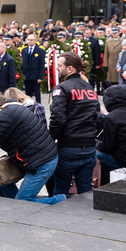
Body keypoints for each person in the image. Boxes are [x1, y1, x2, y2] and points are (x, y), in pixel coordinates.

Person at [0, 88, 64, 204]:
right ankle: (15, 206)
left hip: (42, 163)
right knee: (4, 183)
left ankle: (60, 201)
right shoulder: (7, 107)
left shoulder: (5, 115)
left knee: (23, 201)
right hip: (34, 157)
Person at [49, 52, 103, 196]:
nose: (57, 69)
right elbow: (97, 115)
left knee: (61, 189)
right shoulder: (89, 88)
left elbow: (57, 118)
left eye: (60, 66)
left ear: (70, 68)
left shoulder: (62, 88)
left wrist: (50, 138)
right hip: (89, 146)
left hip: (69, 146)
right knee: (85, 190)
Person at [20, 34, 45, 103]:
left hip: (35, 76)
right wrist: (22, 75)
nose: (29, 41)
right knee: (27, 94)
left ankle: (38, 107)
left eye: (31, 40)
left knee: (37, 94)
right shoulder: (24, 50)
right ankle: (29, 106)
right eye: (28, 40)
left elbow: (41, 64)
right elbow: (22, 63)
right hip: (26, 75)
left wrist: (40, 77)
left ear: (35, 41)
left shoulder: (40, 51)